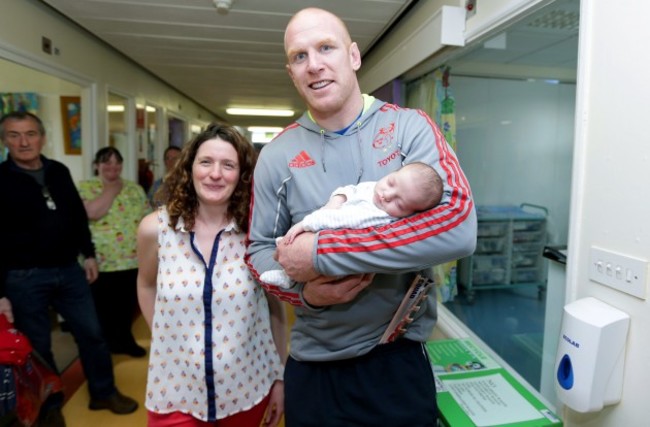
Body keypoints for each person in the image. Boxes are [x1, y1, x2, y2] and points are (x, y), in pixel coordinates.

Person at [245, 7, 477, 426]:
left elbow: (458, 228)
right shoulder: (276, 156)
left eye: (326, 48)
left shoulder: (410, 128)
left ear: (353, 56)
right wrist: (305, 295)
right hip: (314, 368)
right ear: (291, 72)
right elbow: (258, 251)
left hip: (396, 363)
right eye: (300, 56)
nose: (314, 64)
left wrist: (321, 255)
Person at [136, 124, 286, 426]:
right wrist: (167, 339)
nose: (215, 174)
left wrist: (281, 378)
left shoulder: (257, 234)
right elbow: (146, 284)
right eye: (206, 162)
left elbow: (274, 309)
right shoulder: (156, 229)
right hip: (176, 389)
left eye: (228, 165)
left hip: (247, 387)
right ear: (190, 168)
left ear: (242, 175)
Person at [0, 112, 138, 427]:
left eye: (31, 133)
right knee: (38, 346)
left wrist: (88, 254)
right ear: (4, 140)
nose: (24, 142)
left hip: (69, 271)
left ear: (42, 137)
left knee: (93, 334)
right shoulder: (2, 179)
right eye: (14, 135)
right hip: (23, 278)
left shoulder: (58, 171)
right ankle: (49, 407)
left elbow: (76, 217)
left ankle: (103, 392)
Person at [261, 162, 443, 288]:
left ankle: (289, 278)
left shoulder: (377, 215)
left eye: (399, 203)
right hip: (327, 223)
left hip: (336, 251)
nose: (387, 194)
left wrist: (304, 224)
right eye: (391, 182)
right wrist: (338, 198)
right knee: (291, 246)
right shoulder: (375, 189)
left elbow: (340, 220)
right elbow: (350, 189)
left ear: (410, 213)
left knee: (322, 269)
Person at [78, 147, 151, 358]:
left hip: (131, 259)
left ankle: (125, 340)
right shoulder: (85, 187)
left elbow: (146, 219)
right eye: (106, 162)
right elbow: (91, 212)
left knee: (127, 304)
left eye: (117, 162)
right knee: (103, 307)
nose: (112, 166)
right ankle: (105, 344)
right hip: (101, 260)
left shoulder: (134, 188)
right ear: (96, 165)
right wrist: (112, 188)